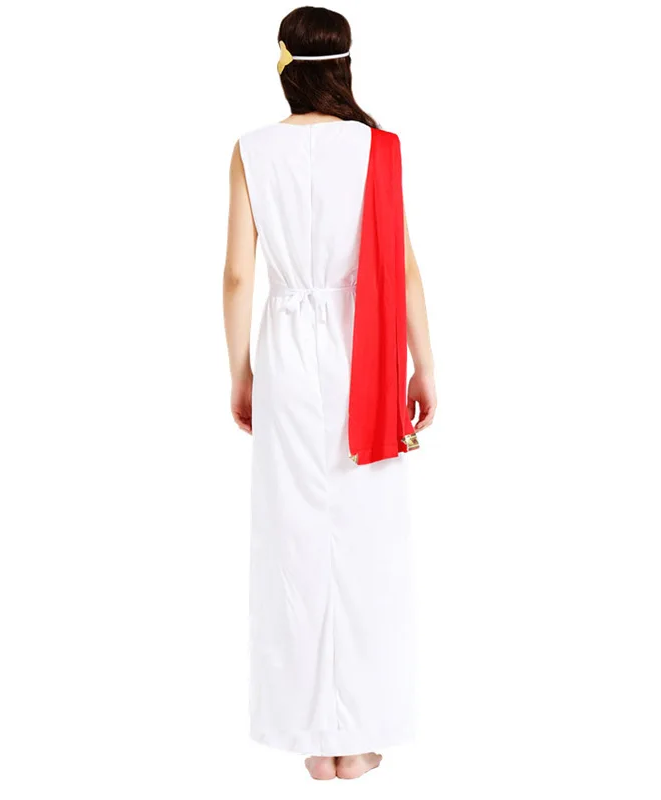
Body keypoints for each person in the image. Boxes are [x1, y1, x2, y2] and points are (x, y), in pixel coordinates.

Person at [222, 6, 436, 781]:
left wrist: (241, 370)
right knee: (367, 535)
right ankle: (362, 732)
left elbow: (238, 274)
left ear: (284, 68)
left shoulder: (251, 150)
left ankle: (313, 738)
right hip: (362, 351)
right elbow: (402, 267)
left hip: (285, 347)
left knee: (294, 536)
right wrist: (424, 366)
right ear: (345, 66)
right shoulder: (377, 149)